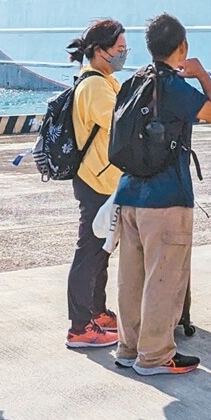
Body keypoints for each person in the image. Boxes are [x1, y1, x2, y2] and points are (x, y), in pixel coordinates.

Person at [112, 13, 211, 376]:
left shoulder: (133, 82)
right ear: (182, 47)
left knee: (131, 279)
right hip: (166, 197)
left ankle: (128, 349)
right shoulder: (174, 87)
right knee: (164, 280)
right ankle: (156, 356)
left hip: (128, 193)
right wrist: (202, 75)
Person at [61, 19, 126, 349]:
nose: (124, 54)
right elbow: (121, 124)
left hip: (105, 179)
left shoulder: (104, 80)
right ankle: (80, 326)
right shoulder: (95, 86)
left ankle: (97, 312)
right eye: (119, 49)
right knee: (89, 252)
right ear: (100, 51)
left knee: (101, 252)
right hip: (96, 181)